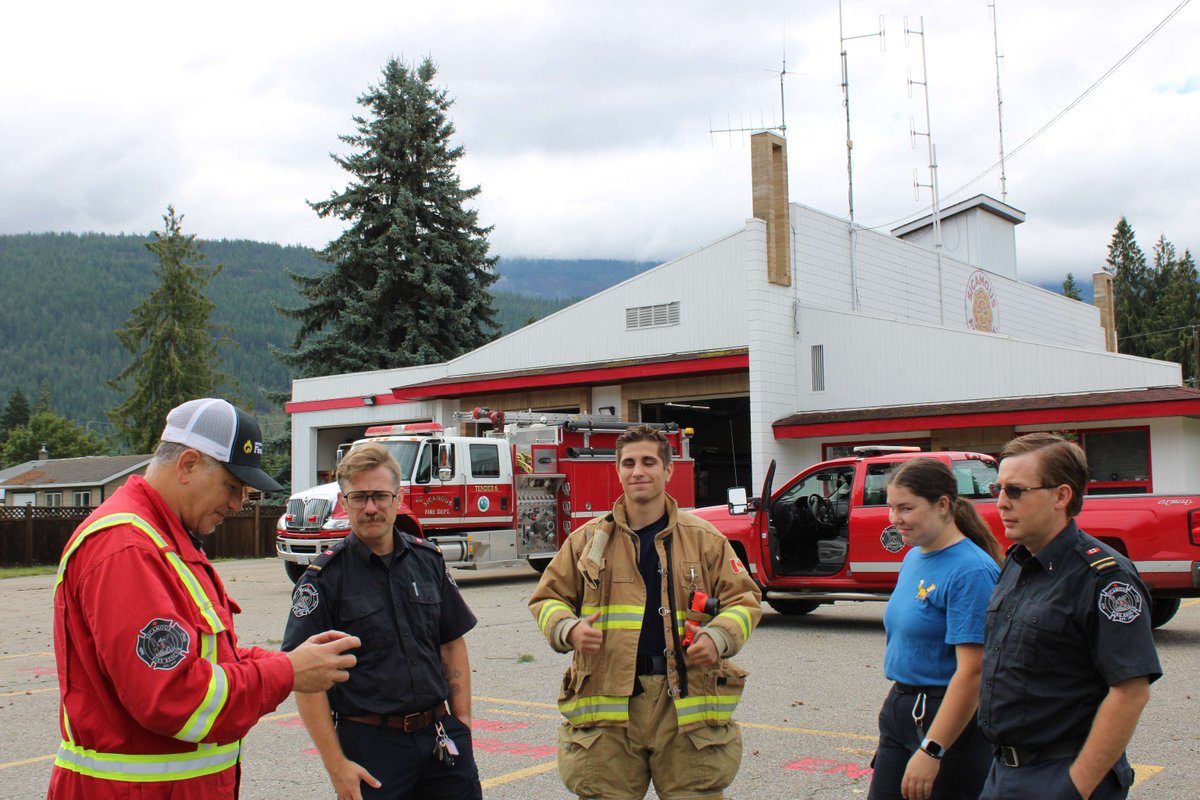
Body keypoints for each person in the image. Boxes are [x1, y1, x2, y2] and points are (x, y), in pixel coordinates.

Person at [49, 398, 360, 800]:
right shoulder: (128, 548)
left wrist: (286, 661)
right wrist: (285, 673)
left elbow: (202, 659)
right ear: (189, 464)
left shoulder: (166, 540)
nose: (236, 504)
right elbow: (173, 697)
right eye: (232, 487)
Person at [529, 424, 762, 800]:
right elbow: (547, 598)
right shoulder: (587, 541)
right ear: (618, 471)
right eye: (629, 463)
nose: (638, 471)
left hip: (685, 707)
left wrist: (719, 636)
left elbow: (745, 600)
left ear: (668, 470)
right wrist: (567, 629)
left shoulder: (705, 539)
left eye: (649, 462)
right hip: (608, 708)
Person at [283, 443, 480, 800]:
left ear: (398, 497)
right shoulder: (323, 580)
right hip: (371, 747)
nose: (370, 507)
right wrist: (335, 764)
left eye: (379, 496)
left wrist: (462, 723)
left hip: (440, 737)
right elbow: (306, 680)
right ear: (344, 502)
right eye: (359, 497)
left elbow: (450, 643)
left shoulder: (428, 560)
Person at [978, 433, 1161, 800]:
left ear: (1061, 496)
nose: (1000, 503)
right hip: (1003, 772)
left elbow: (1130, 691)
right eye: (997, 489)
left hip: (1062, 775)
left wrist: (1074, 787)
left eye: (1015, 491)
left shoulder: (1105, 578)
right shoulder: (1017, 563)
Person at [867, 458, 1001, 800]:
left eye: (906, 508)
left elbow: (974, 671)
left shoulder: (971, 571)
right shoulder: (915, 556)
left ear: (942, 505)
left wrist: (932, 750)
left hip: (947, 721)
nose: (894, 519)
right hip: (902, 707)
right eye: (891, 507)